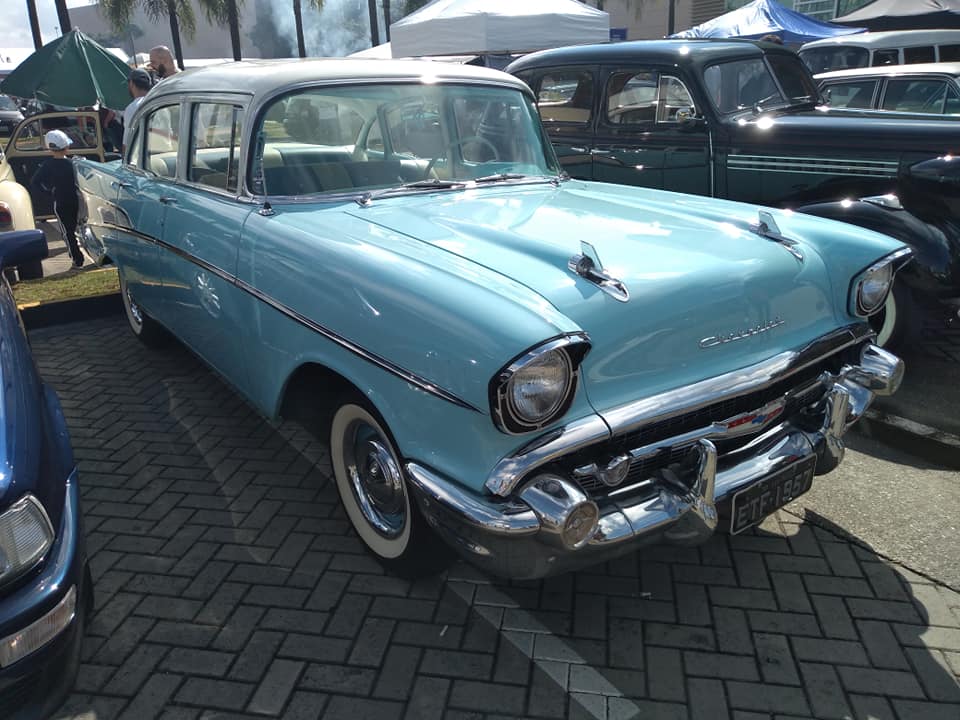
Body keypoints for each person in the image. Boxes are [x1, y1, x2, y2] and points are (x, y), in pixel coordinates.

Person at [31, 130, 84, 268]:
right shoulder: (73, 163)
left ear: (50, 148)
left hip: (60, 201)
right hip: (76, 200)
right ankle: (82, 252)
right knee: (78, 227)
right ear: (67, 147)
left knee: (67, 232)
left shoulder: (47, 165)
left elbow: (35, 182)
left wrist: (49, 192)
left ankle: (77, 259)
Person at [123, 68, 153, 152]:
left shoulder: (132, 108)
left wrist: (125, 159)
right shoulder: (159, 102)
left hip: (142, 156)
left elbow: (127, 141)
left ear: (131, 83)